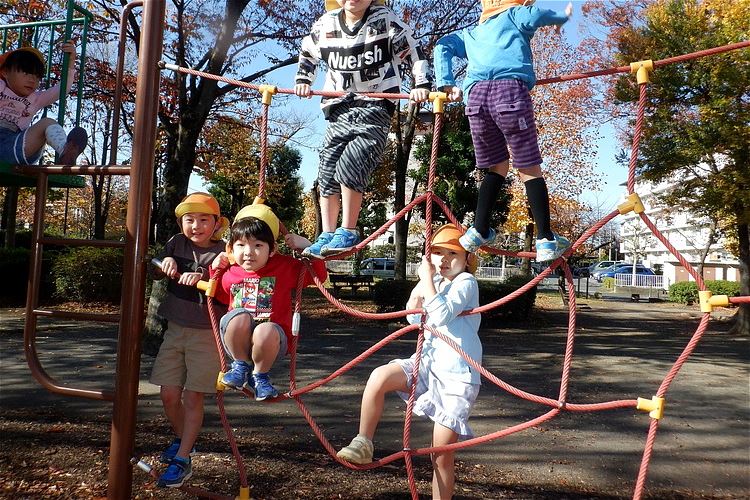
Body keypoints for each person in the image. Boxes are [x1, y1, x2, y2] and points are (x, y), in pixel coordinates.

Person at [337, 224, 481, 499]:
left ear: (467, 259)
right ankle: (363, 442)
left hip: (456, 376)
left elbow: (441, 315)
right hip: (428, 364)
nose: (444, 259)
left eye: (453, 253)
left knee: (440, 453)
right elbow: (415, 318)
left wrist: (427, 281)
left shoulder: (466, 282)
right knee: (379, 376)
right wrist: (419, 288)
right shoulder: (436, 280)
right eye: (438, 252)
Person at [433, 0, 574, 262]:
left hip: (476, 100)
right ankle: (545, 239)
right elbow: (536, 15)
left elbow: (442, 45)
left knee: (496, 167)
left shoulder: (472, 33)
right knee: (528, 168)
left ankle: (478, 230)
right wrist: (560, 18)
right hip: (508, 93)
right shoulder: (514, 14)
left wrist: (447, 82)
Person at [294, 0, 431, 257]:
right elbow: (308, 51)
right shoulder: (326, 24)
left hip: (375, 106)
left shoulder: (384, 20)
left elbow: (413, 49)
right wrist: (304, 78)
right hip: (338, 106)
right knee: (327, 170)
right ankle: (327, 233)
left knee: (351, 162)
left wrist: (421, 83)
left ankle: (348, 230)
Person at [149, 192, 230, 488]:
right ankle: (185, 439)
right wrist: (166, 262)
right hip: (175, 329)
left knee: (193, 396)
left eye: (203, 220)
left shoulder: (224, 251)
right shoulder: (176, 243)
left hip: (207, 333)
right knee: (169, 394)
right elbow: (156, 270)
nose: (196, 226)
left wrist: (205, 278)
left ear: (216, 224)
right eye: (189, 219)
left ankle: (182, 459)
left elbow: (230, 287)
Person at [212, 203, 328, 401]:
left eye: (258, 245)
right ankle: (240, 366)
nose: (249, 252)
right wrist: (215, 269)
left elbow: (318, 275)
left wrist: (308, 246)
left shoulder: (283, 267)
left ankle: (260, 376)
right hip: (238, 339)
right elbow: (219, 297)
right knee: (238, 316)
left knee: (264, 330)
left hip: (272, 339)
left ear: (272, 249)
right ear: (230, 248)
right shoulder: (229, 272)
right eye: (241, 245)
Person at [0, 41, 87, 165]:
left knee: (47, 122)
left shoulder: (35, 98)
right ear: (5, 72)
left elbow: (62, 89)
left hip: (17, 145)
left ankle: (65, 151)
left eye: (37, 76)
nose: (32, 80)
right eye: (26, 73)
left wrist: (70, 63)